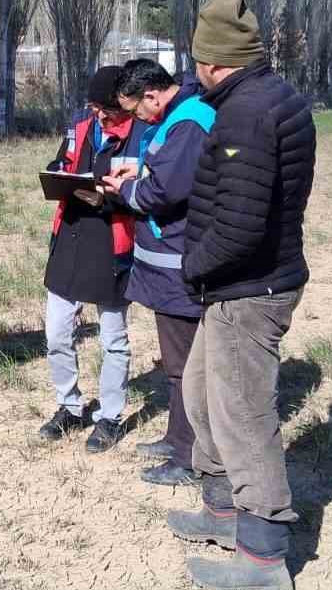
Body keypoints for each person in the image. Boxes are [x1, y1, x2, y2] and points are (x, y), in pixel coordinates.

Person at [167, 0, 316, 590]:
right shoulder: (267, 97)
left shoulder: (247, 114)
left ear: (210, 61)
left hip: (248, 289)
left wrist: (191, 268)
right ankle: (222, 511)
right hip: (238, 285)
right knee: (202, 396)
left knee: (244, 417)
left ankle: (262, 555)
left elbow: (240, 225)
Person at [100, 57, 214, 486]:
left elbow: (165, 192)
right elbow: (170, 171)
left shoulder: (189, 121)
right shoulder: (177, 116)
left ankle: (188, 458)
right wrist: (140, 170)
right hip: (165, 264)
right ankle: (176, 438)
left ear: (151, 95)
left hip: (178, 267)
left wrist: (127, 188)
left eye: (135, 110)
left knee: (185, 365)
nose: (137, 119)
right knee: (175, 360)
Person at [36, 66, 138, 453]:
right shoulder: (80, 127)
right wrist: (59, 176)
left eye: (104, 109)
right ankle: (70, 406)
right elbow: (61, 163)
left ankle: (110, 417)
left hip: (111, 245)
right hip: (70, 239)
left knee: (113, 340)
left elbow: (151, 193)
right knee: (57, 333)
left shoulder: (141, 134)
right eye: (93, 107)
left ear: (123, 104)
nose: (97, 115)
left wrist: (107, 197)